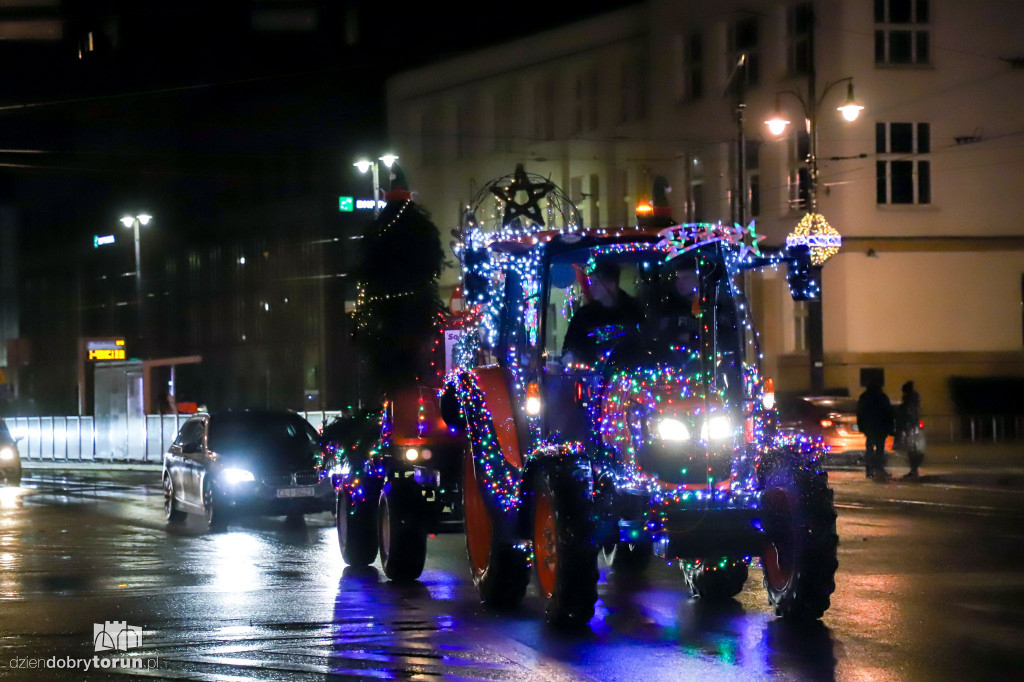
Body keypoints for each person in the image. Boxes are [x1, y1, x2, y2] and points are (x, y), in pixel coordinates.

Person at [562, 261, 643, 366]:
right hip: (590, 378)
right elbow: (568, 349)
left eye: (595, 283)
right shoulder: (583, 316)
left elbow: (644, 345)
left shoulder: (633, 312)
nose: (591, 288)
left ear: (611, 285)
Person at [857, 381, 894, 479]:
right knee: (879, 449)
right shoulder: (882, 397)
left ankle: (869, 470)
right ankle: (879, 469)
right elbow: (888, 413)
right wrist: (890, 428)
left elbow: (860, 413)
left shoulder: (865, 397)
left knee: (870, 448)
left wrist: (862, 427)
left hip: (870, 428)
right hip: (881, 428)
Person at [897, 380, 924, 478]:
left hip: (910, 427)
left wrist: (904, 426)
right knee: (913, 449)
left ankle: (914, 469)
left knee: (911, 449)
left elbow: (907, 414)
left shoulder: (909, 400)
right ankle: (914, 469)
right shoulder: (914, 399)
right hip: (914, 426)